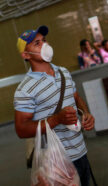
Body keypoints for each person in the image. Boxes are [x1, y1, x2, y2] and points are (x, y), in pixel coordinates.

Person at [14, 26, 95, 186]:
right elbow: (21, 129)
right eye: (37, 43)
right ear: (25, 55)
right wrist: (57, 119)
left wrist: (86, 113)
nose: (44, 45)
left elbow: (75, 96)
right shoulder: (25, 89)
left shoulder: (63, 72)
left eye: (44, 40)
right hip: (56, 161)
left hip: (81, 151)